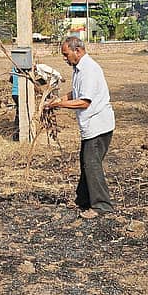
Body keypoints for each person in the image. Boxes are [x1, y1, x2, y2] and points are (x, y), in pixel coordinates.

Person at [46, 37, 115, 219]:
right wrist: (60, 99)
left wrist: (58, 106)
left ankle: (102, 205)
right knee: (86, 163)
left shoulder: (89, 70)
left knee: (92, 165)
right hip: (90, 126)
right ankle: (83, 200)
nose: (65, 58)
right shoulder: (79, 69)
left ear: (78, 51)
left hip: (98, 125)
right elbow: (77, 92)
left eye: (66, 54)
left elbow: (84, 102)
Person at [9, 67, 20, 141]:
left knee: (18, 114)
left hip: (14, 94)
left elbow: (10, 80)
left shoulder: (14, 68)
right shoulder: (25, 68)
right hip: (20, 94)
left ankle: (15, 135)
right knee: (21, 114)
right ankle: (17, 136)